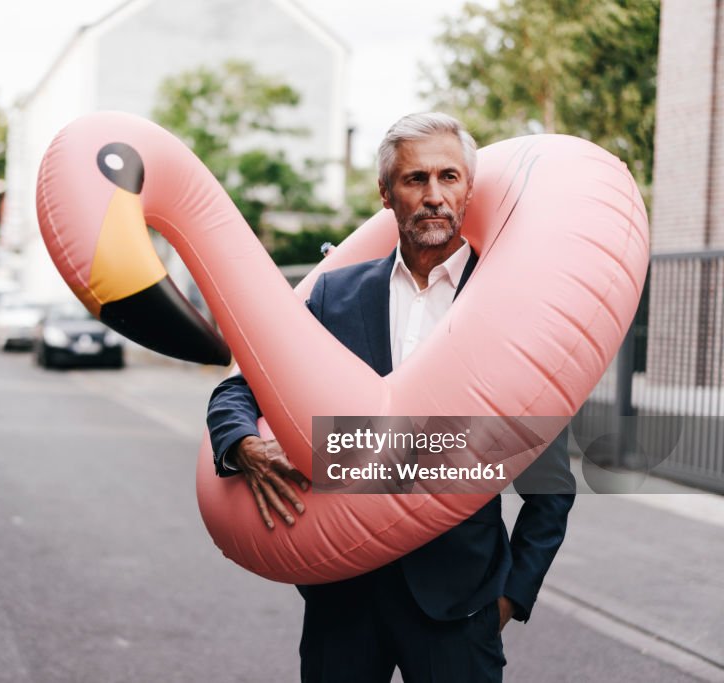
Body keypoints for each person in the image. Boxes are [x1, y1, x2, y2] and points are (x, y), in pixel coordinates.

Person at [206, 112, 575, 683]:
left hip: (458, 607)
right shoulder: (333, 295)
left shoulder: (506, 307)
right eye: (414, 180)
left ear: (468, 189)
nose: (433, 196)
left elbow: (549, 482)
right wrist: (244, 445)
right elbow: (241, 387)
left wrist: (509, 598)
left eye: (448, 177)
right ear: (386, 194)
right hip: (342, 600)